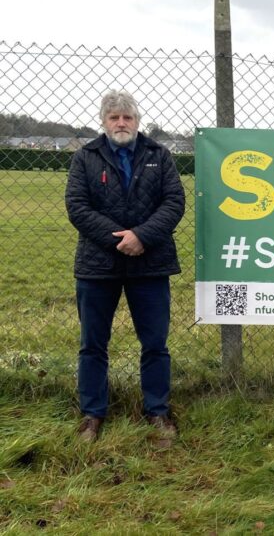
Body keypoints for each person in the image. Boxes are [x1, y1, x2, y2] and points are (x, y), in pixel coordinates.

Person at [65, 90, 185, 443]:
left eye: (127, 117)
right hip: (97, 265)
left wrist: (142, 237)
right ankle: (92, 414)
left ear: (137, 121)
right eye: (114, 117)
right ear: (103, 121)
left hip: (150, 264)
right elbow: (77, 207)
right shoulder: (85, 158)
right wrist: (120, 238)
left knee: (155, 344)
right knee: (92, 343)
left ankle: (158, 411)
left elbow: (174, 202)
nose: (121, 123)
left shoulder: (159, 156)